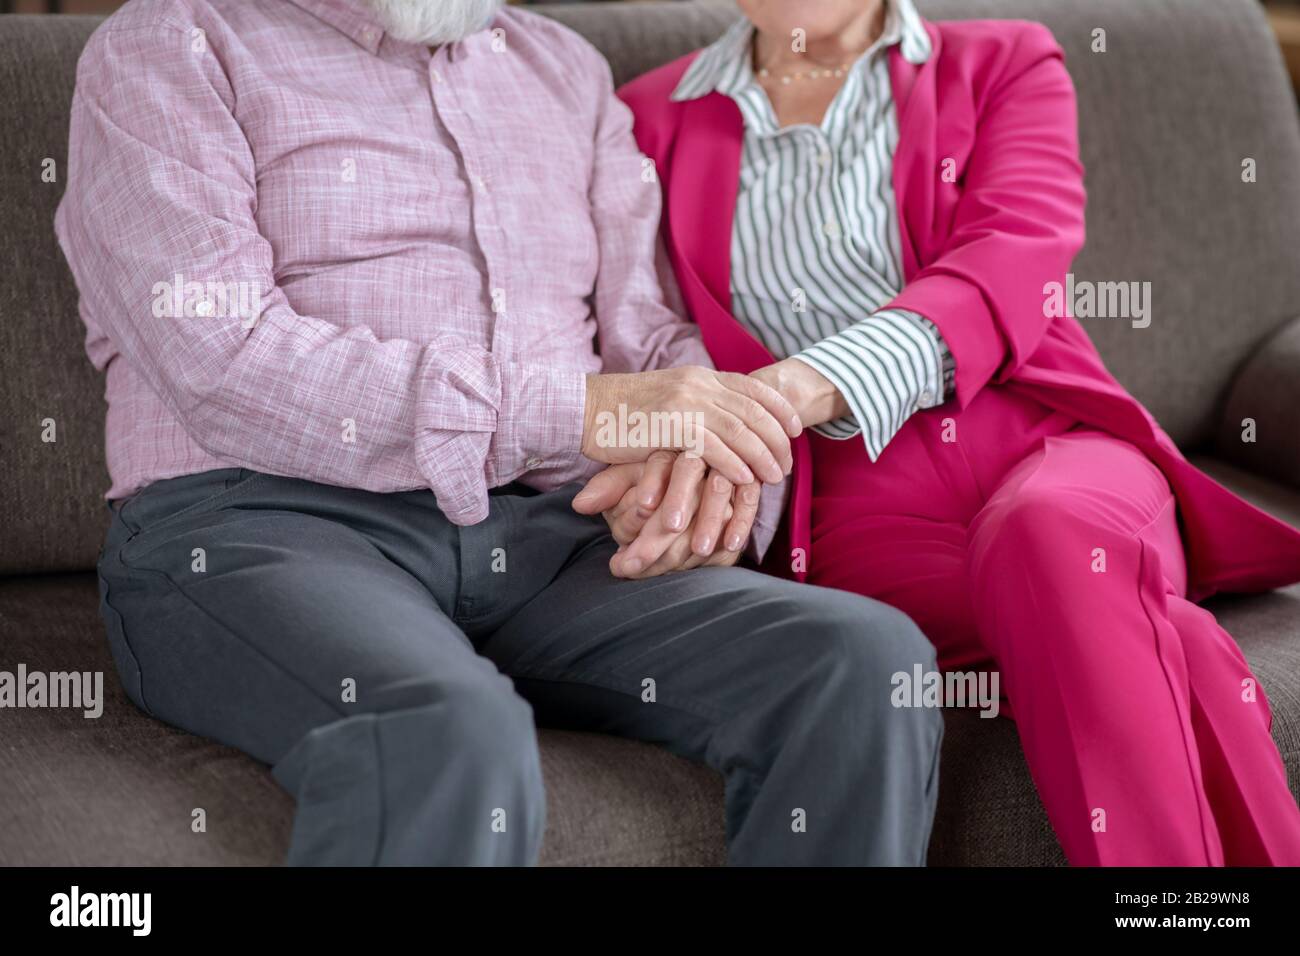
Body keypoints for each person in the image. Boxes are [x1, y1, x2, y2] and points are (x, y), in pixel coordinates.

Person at [55, 0, 943, 866]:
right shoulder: (172, 41)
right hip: (262, 524)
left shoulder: (566, 69)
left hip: (556, 542)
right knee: (443, 730)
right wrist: (600, 412)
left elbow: (653, 337)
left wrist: (701, 465)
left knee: (861, 663)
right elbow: (225, 361)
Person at [599, 0, 1300, 865]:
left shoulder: (1005, 62)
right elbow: (641, 334)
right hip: (842, 508)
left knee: (1053, 538)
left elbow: (1012, 260)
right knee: (1151, 634)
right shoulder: (643, 117)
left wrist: (795, 386)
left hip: (1048, 435)